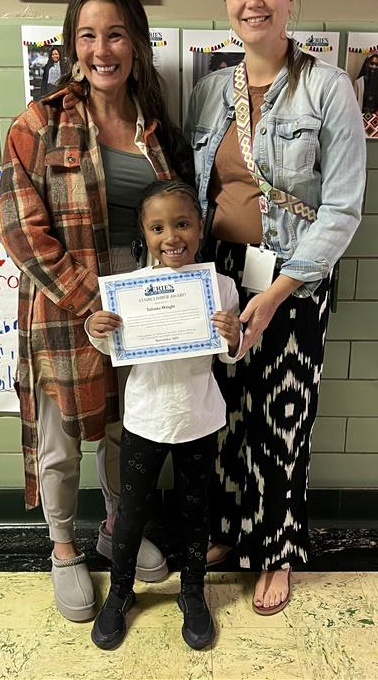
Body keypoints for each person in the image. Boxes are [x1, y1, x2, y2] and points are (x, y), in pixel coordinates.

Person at [0, 0, 194, 623]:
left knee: (124, 428)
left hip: (140, 305)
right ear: (71, 43)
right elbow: (21, 232)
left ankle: (116, 529)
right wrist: (87, 300)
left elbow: (179, 223)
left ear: (136, 41)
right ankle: (62, 548)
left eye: (115, 34)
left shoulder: (158, 128)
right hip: (62, 305)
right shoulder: (39, 123)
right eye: (88, 34)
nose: (102, 49)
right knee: (60, 442)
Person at [184, 0, 366, 615]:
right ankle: (230, 532)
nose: (252, 0)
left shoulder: (328, 90)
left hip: (295, 278)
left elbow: (344, 208)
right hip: (223, 275)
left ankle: (277, 547)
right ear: (225, 0)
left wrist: (281, 289)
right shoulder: (208, 92)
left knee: (282, 418)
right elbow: (194, 191)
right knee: (224, 414)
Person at [86, 180, 242, 650]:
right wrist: (96, 327)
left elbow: (232, 355)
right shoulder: (128, 290)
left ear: (199, 228)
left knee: (196, 511)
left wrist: (233, 335)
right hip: (146, 416)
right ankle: (120, 593)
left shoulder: (221, 287)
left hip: (198, 415)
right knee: (131, 513)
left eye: (182, 224)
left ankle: (192, 593)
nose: (171, 237)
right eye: (158, 228)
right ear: (144, 233)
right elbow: (112, 347)